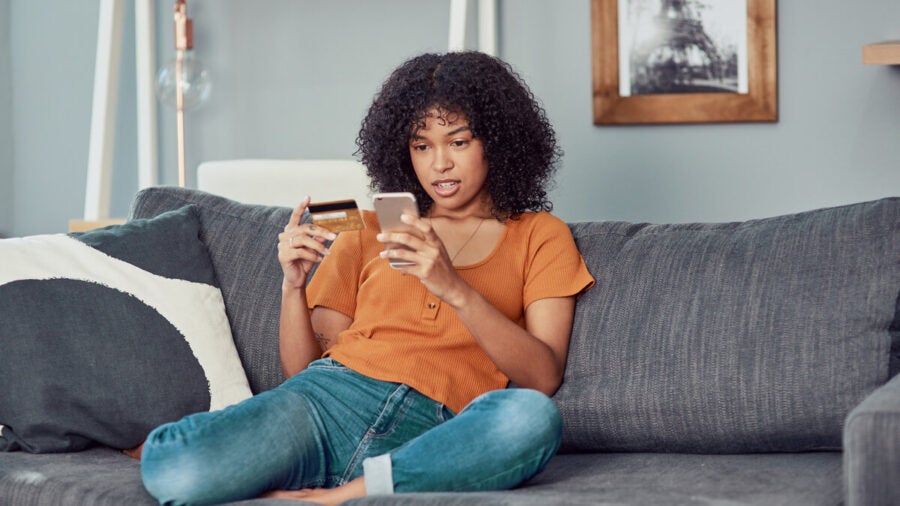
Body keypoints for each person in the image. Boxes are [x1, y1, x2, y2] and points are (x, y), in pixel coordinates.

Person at [137, 51, 594, 505]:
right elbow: (301, 370)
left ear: (497, 141)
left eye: (458, 142)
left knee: (531, 419)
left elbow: (541, 377)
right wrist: (292, 285)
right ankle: (352, 485)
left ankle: (349, 493)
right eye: (421, 145)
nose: (439, 164)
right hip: (326, 402)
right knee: (172, 465)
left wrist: (453, 288)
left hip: (437, 429)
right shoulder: (367, 227)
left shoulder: (540, 236)